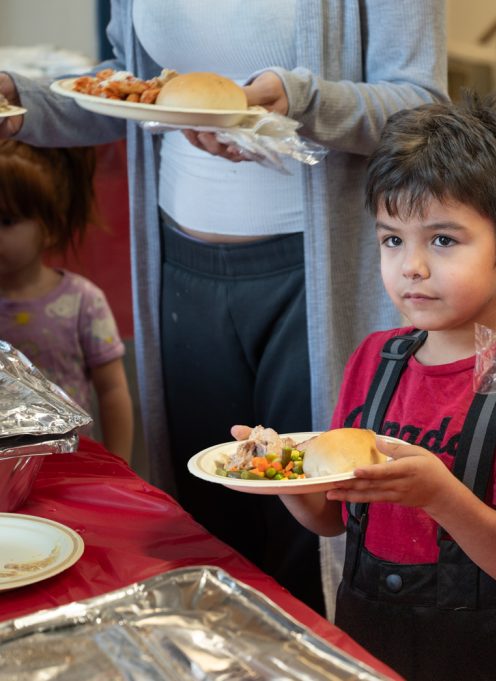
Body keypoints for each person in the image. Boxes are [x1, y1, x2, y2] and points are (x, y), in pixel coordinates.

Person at [0, 0, 446, 615]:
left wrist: (299, 100)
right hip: (179, 266)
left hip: (313, 276)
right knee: (204, 517)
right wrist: (18, 100)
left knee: (307, 529)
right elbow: (133, 88)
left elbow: (420, 108)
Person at [233, 91, 496, 681]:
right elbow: (332, 518)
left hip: (489, 650)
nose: (411, 266)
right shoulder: (376, 359)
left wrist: (438, 494)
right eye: (393, 239)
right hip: (373, 625)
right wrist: (280, 472)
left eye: (442, 240)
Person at [0, 140, 133, 457]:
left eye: (6, 222)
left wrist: (119, 464)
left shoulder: (82, 301)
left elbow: (112, 389)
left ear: (49, 227)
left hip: (73, 462)